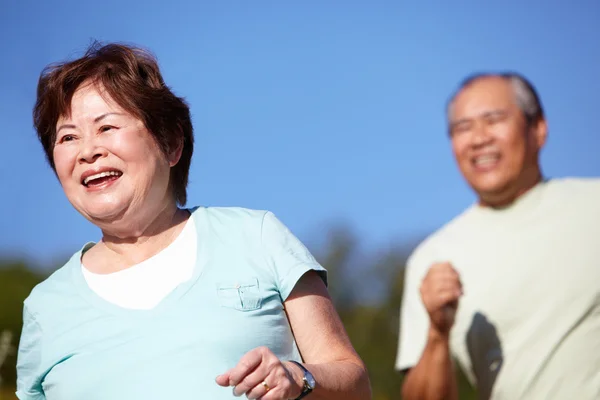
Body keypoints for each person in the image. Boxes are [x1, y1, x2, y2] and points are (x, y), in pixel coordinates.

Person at [15, 42, 371, 400]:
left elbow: (354, 382)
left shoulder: (256, 237)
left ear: (170, 143)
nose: (87, 151)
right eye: (68, 137)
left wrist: (298, 377)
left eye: (106, 128)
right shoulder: (45, 308)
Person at [396, 72, 600, 400]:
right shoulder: (432, 257)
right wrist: (437, 333)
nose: (478, 138)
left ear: (538, 129)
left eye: (494, 119)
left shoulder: (593, 208)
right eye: (462, 127)